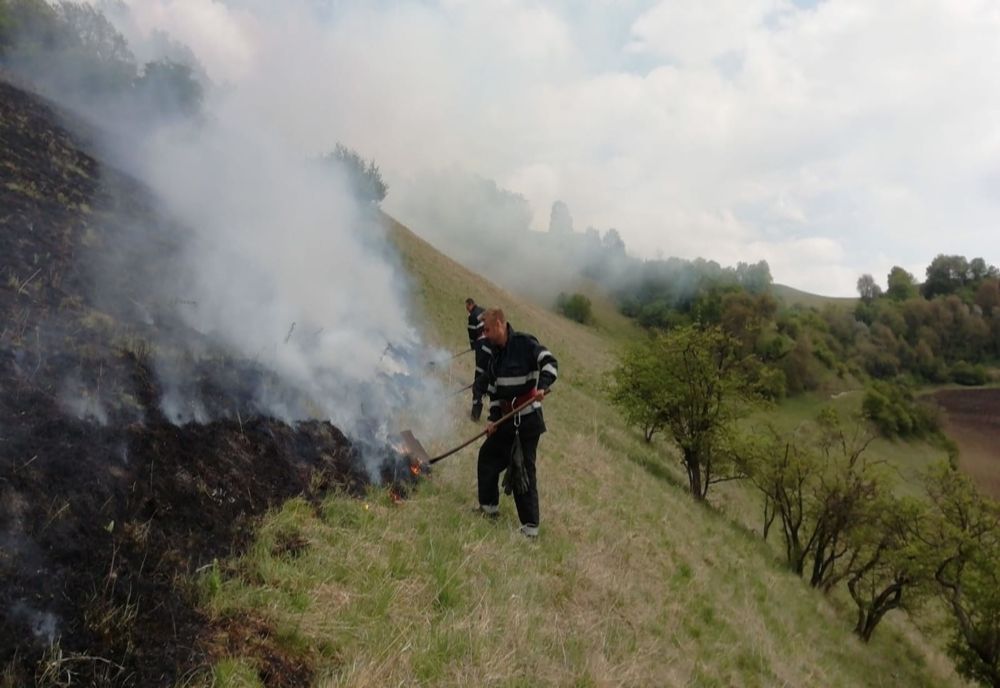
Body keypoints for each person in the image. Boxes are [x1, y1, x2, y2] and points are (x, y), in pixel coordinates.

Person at [473, 308, 558, 538]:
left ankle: (530, 528)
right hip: (506, 420)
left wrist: (542, 385)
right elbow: (493, 391)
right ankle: (489, 509)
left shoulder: (525, 343)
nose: (486, 335)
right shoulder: (495, 354)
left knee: (522, 470)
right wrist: (492, 420)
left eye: (488, 329)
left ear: (500, 323)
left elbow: (550, 362)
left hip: (528, 420)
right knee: (488, 456)